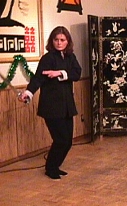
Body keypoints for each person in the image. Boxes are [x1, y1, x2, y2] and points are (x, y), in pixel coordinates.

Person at [19, 26, 82, 180]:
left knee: (67, 141)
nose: (59, 43)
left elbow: (77, 73)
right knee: (60, 140)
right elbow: (38, 79)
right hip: (52, 107)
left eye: (62, 40)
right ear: (52, 41)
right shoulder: (47, 58)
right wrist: (28, 92)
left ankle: (54, 166)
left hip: (67, 106)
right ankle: (51, 168)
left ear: (67, 41)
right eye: (56, 40)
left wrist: (59, 73)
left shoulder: (70, 57)